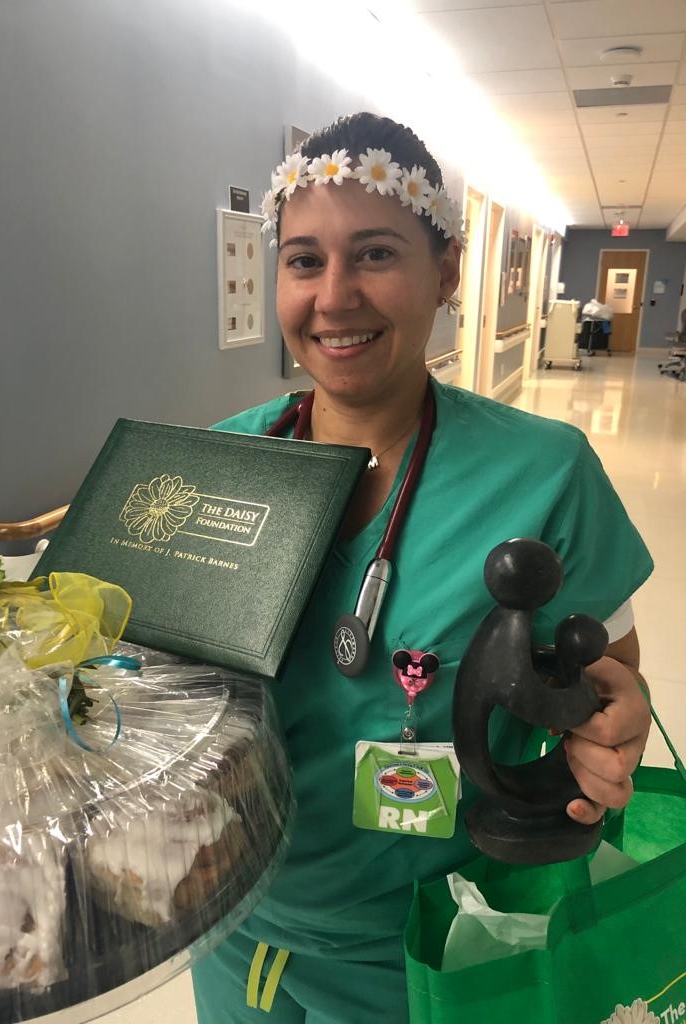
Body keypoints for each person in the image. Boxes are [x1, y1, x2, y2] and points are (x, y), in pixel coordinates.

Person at [191, 112, 653, 1022]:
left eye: (373, 255)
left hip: (431, 953)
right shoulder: (218, 469)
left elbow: (610, 676)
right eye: (304, 261)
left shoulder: (545, 472)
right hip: (232, 931)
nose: (334, 297)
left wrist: (614, 719)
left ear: (445, 273)